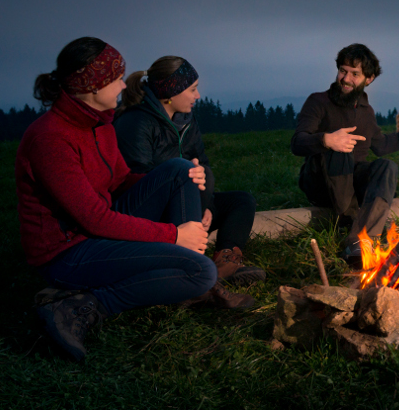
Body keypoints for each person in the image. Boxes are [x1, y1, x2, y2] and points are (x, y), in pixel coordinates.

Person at [17, 37, 245, 362]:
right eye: (116, 79)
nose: (125, 84)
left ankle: (185, 271)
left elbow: (122, 180)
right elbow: (93, 219)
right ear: (94, 86)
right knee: (201, 272)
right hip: (66, 252)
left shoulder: (101, 124)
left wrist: (176, 179)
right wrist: (174, 235)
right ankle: (79, 306)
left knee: (180, 168)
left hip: (97, 229)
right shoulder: (50, 139)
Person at [114, 56, 266, 297]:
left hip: (189, 206)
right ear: (170, 93)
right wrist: (187, 182)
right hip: (154, 216)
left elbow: (202, 164)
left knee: (242, 200)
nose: (197, 96)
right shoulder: (136, 122)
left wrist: (207, 208)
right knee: (183, 169)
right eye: (192, 89)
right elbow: (140, 183)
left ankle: (223, 266)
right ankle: (192, 276)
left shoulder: (186, 121)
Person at [291, 43, 399, 268]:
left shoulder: (365, 110)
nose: (346, 78)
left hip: (351, 182)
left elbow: (380, 146)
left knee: (387, 167)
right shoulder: (318, 101)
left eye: (355, 74)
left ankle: (363, 240)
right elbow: (297, 143)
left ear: (369, 79)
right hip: (320, 181)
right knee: (342, 149)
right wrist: (326, 140)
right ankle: (352, 223)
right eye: (343, 71)